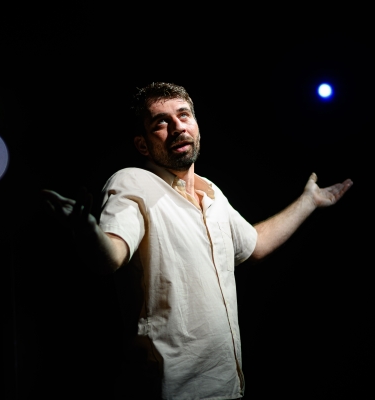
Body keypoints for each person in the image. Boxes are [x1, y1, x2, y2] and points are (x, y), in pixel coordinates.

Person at [41, 82, 353, 399]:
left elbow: (254, 245)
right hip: (173, 391)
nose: (177, 127)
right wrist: (88, 232)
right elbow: (112, 254)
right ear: (143, 144)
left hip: (229, 387)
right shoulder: (132, 182)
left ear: (196, 126)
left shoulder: (212, 193)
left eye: (183, 115)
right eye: (161, 122)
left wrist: (309, 201)